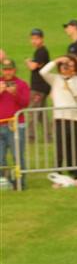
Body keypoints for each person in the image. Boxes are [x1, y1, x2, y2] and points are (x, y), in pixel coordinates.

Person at [40, 55, 77, 185]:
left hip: (75, 118)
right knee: (60, 148)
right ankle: (58, 176)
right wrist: (57, 60)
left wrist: (69, 78)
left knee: (76, 148)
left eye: (71, 65)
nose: (67, 67)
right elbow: (42, 72)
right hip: (60, 118)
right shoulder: (55, 79)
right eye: (66, 65)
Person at [0, 58, 31, 188]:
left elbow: (25, 103)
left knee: (17, 155)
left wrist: (15, 93)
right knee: (0, 158)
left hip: (16, 126)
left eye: (10, 69)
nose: (8, 72)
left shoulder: (21, 84)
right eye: (5, 69)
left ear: (14, 69)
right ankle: (4, 181)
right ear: (2, 70)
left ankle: (20, 182)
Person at [26, 28, 51, 143]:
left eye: (36, 38)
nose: (34, 41)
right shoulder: (41, 51)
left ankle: (30, 136)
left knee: (32, 111)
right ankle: (48, 136)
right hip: (42, 87)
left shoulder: (41, 51)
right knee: (41, 114)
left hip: (38, 88)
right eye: (32, 39)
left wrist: (28, 62)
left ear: (41, 39)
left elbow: (33, 67)